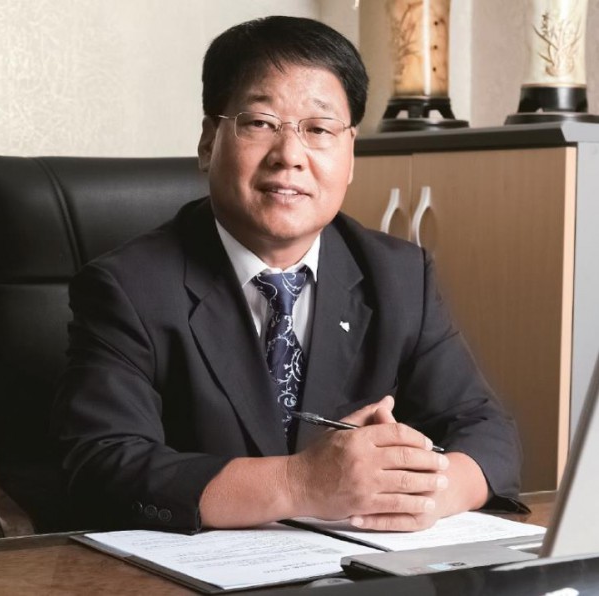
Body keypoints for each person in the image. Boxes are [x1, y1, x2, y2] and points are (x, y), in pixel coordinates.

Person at [53, 15, 524, 534]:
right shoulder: (128, 287)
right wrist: (301, 483)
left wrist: (426, 494)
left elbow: (486, 431)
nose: (290, 157)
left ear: (350, 155)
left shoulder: (399, 275)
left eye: (319, 130)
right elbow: (104, 465)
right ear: (209, 141)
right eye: (260, 123)